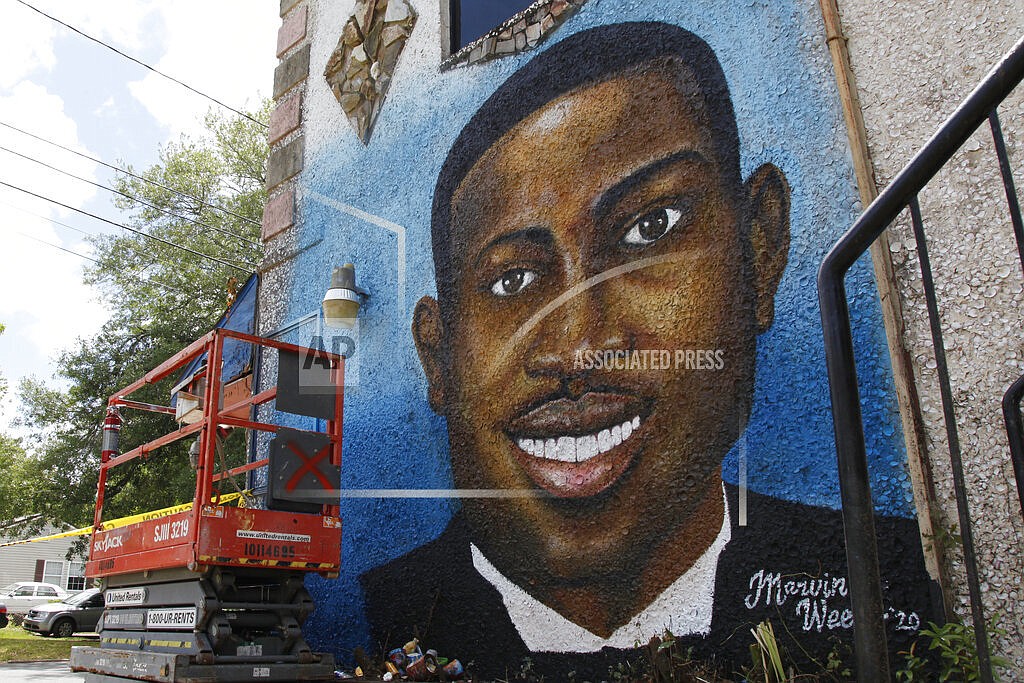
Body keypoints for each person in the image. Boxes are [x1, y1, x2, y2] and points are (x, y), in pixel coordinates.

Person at [361, 22, 934, 678]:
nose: (578, 345)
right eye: (511, 280)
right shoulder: (378, 612)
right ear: (439, 359)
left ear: (758, 250)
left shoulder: (886, 576)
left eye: (649, 228)